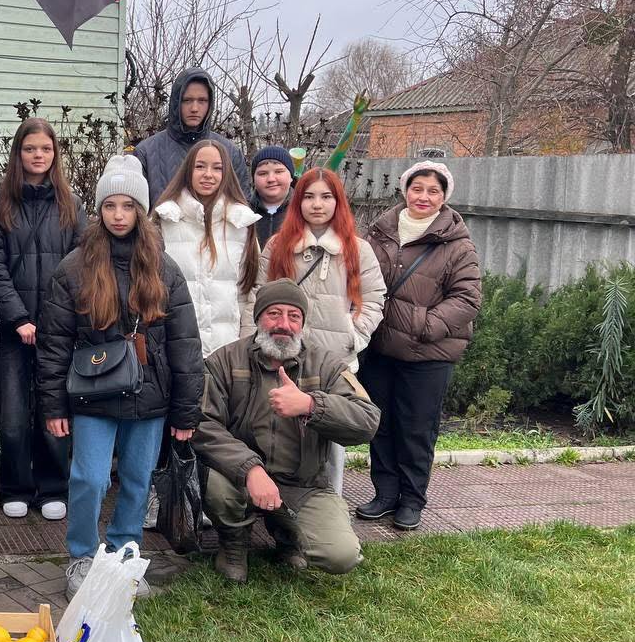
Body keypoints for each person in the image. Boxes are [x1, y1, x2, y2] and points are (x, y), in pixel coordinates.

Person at [37, 155, 203, 599]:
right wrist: (53, 405)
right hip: (92, 393)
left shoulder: (164, 269)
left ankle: (125, 554)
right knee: (89, 479)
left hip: (151, 395)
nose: (118, 215)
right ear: (99, 209)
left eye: (128, 206)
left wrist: (186, 410)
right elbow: (53, 343)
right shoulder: (74, 268)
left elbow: (185, 344)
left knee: (137, 479)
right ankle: (81, 557)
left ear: (141, 211)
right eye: (110, 205)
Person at [195, 280, 380, 583]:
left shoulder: (326, 364)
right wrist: (250, 469)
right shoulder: (224, 361)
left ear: (303, 324)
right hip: (238, 478)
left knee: (341, 555)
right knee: (215, 484)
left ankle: (287, 537)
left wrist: (311, 405)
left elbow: (368, 420)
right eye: (274, 314)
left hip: (302, 484)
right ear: (258, 319)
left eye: (294, 316)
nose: (284, 324)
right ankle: (233, 543)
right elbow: (203, 424)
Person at [243, 167, 385, 495]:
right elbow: (257, 296)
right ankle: (275, 502)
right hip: (284, 356)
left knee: (331, 437)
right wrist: (254, 339)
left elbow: (375, 298)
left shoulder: (358, 249)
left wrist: (354, 336)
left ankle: (329, 502)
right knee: (276, 431)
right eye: (308, 196)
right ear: (298, 201)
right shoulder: (279, 245)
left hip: (335, 360)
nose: (317, 204)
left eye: (326, 197)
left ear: (338, 202)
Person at [358, 161, 482, 531]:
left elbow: (467, 298)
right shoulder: (380, 233)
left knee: (416, 429)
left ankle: (412, 500)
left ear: (444, 197)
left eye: (433, 191)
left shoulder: (457, 244)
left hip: (428, 353)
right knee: (380, 425)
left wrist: (423, 325)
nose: (423, 196)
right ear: (405, 190)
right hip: (380, 349)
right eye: (417, 188)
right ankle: (385, 494)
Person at [0, 118, 87, 521]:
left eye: (45, 148)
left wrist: (57, 321)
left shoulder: (71, 205)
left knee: (54, 413)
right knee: (12, 416)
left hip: (58, 331)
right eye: (30, 149)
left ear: (55, 153)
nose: (38, 155)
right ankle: (15, 487)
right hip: (14, 330)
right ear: (18, 153)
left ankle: (53, 487)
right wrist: (19, 318)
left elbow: (81, 266)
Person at [153, 138, 261, 358]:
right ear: (188, 171)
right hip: (174, 347)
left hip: (227, 350)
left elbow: (251, 289)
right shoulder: (164, 219)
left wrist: (245, 343)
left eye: (217, 168)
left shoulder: (241, 222)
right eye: (200, 166)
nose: (208, 174)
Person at [132, 67, 249, 208]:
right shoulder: (146, 152)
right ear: (176, 102)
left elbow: (242, 210)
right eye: (187, 100)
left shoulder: (230, 153)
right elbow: (135, 213)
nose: (194, 108)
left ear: (210, 103)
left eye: (202, 100)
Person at [249, 145, 295, 249]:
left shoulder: (303, 211)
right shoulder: (243, 213)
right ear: (254, 179)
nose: (271, 179)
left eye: (279, 171)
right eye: (263, 173)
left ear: (291, 176)